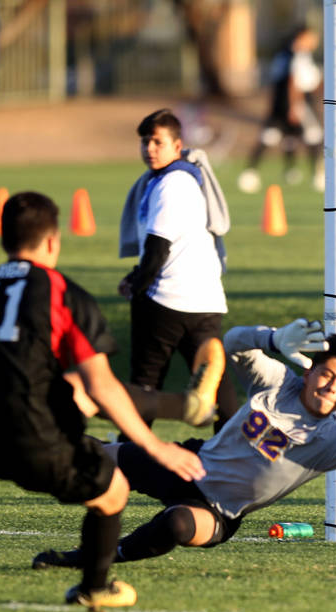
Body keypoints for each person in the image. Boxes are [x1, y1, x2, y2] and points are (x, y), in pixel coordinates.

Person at [31, 322, 336, 569]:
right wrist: (271, 339)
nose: (331, 387)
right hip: (189, 463)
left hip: (220, 512)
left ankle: (93, 559)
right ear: (309, 369)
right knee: (92, 455)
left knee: (178, 524)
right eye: (326, 374)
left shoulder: (330, 442)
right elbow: (229, 344)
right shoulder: (277, 383)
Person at [0, 191, 206, 610]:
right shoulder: (60, 292)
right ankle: (94, 588)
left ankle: (180, 405)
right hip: (38, 440)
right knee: (114, 490)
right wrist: (157, 448)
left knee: (71, 394)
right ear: (52, 242)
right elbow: (103, 385)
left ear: (6, 240)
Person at [119, 108, 238, 430]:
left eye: (158, 141)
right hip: (205, 300)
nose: (150, 148)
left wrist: (139, 288)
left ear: (177, 145)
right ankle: (233, 453)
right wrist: (135, 275)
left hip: (167, 300)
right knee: (216, 382)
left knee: (145, 383)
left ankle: (130, 453)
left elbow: (159, 247)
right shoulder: (174, 179)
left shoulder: (172, 183)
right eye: (145, 141)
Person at [237, 26, 323, 194]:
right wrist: (294, 106)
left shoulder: (283, 55)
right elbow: (293, 82)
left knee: (275, 136)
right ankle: (318, 175)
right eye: (310, 38)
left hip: (279, 104)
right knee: (314, 135)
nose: (314, 41)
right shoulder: (298, 56)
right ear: (300, 38)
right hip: (296, 103)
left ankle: (262, 171)